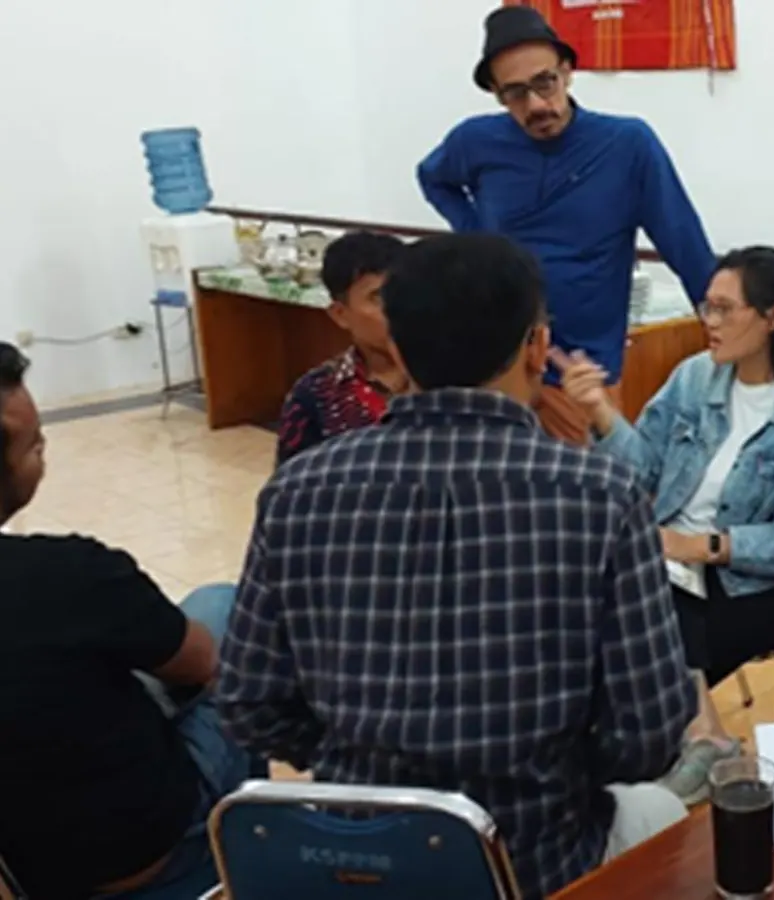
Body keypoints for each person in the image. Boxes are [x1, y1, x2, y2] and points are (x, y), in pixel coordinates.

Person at [218, 234, 702, 900]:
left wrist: (356, 759)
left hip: (352, 862)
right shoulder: (603, 497)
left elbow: (249, 704)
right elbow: (646, 736)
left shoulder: (297, 489)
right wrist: (549, 772)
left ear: (399, 347)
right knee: (665, 810)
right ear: (536, 347)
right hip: (537, 863)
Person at [0, 342, 256, 899]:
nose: (42, 454)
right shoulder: (68, 573)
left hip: (23, 865)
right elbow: (201, 663)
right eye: (33, 444)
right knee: (228, 624)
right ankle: (239, 850)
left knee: (206, 606)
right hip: (143, 851)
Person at [555, 246, 774, 689]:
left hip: (747, 582)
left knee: (645, 623)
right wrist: (600, 411)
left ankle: (688, 727)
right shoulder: (695, 377)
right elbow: (641, 475)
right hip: (667, 557)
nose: (709, 322)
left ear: (772, 316)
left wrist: (700, 546)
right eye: (707, 307)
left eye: (724, 309)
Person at [417, 5, 716, 445]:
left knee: (584, 497)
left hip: (582, 373)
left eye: (545, 83)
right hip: (500, 364)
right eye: (516, 93)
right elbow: (433, 177)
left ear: (568, 71)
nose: (537, 105)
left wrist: (726, 333)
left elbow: (684, 243)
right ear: (498, 96)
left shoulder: (627, 144)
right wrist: (478, 236)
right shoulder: (476, 141)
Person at [276, 230, 408, 465]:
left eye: (404, 293)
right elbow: (290, 487)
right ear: (340, 314)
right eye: (377, 298)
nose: (398, 309)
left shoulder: (452, 377)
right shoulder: (315, 394)